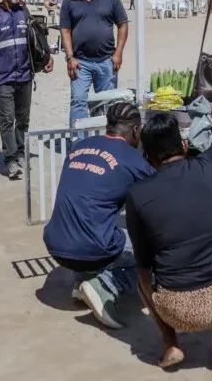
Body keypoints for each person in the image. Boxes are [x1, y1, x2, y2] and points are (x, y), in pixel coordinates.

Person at [126, 104, 212, 369]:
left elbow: (144, 263)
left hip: (179, 311)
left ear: (148, 157)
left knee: (141, 276)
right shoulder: (208, 165)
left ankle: (171, 344)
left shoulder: (138, 195)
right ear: (183, 145)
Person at [43, 103, 153, 329]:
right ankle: (106, 285)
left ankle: (82, 279)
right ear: (136, 130)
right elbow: (159, 201)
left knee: (95, 221)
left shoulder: (79, 146)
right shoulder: (134, 161)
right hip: (89, 250)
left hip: (55, 245)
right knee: (159, 251)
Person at [0, 0, 53, 180]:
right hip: (3, 77)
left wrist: (46, 57)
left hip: (25, 75)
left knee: (23, 119)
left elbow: (36, 39)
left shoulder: (24, 12)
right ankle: (10, 159)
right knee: (7, 119)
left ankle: (21, 152)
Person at [60, 0, 129, 127]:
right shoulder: (70, 2)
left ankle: (105, 139)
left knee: (107, 102)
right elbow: (65, 30)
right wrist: (70, 58)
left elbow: (123, 25)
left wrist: (118, 52)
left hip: (107, 61)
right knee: (78, 101)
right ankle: (78, 141)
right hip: (80, 62)